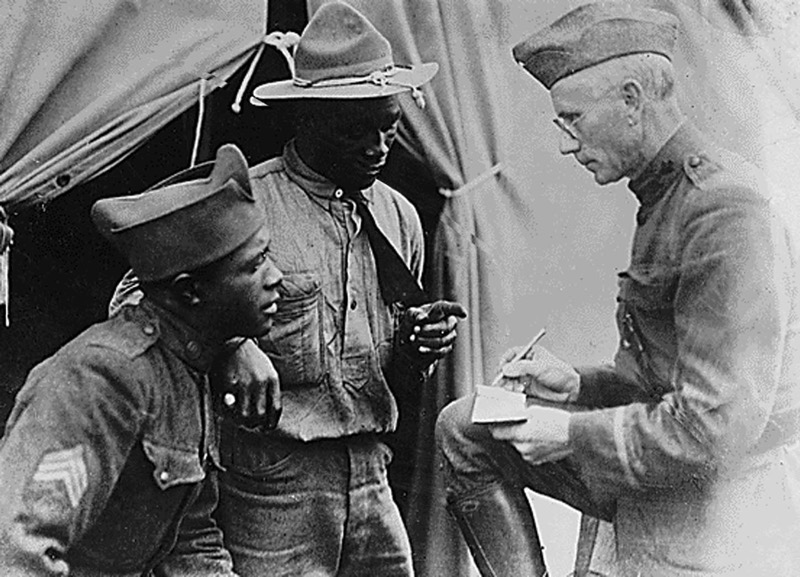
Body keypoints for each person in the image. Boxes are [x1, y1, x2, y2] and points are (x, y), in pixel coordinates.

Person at [435, 3, 800, 576]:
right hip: (670, 487)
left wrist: (569, 433)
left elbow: (715, 425)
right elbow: (661, 381)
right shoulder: (666, 202)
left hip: (721, 519)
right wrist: (578, 383)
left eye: (572, 118)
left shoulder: (724, 212)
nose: (563, 142)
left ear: (632, 100)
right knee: (466, 427)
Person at [0, 143, 284, 576]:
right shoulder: (102, 379)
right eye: (255, 265)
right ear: (190, 292)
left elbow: (189, 536)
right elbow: (17, 547)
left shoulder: (192, 367)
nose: (276, 276)